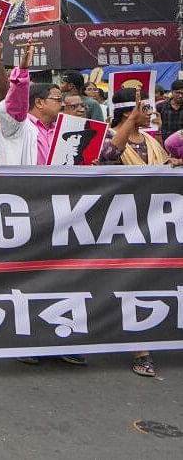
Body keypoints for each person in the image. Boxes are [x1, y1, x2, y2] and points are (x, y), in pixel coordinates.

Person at [98, 87, 182, 378]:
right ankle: (140, 350)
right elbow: (108, 158)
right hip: (119, 229)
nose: (150, 113)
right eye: (144, 109)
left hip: (156, 228)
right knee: (130, 286)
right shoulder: (107, 139)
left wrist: (172, 165)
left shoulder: (150, 140)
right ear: (127, 112)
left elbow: (160, 172)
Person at [0, 46, 61, 166]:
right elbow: (15, 106)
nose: (63, 104)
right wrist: (22, 72)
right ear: (39, 103)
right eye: (58, 100)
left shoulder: (60, 130)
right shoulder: (18, 126)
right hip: (29, 184)